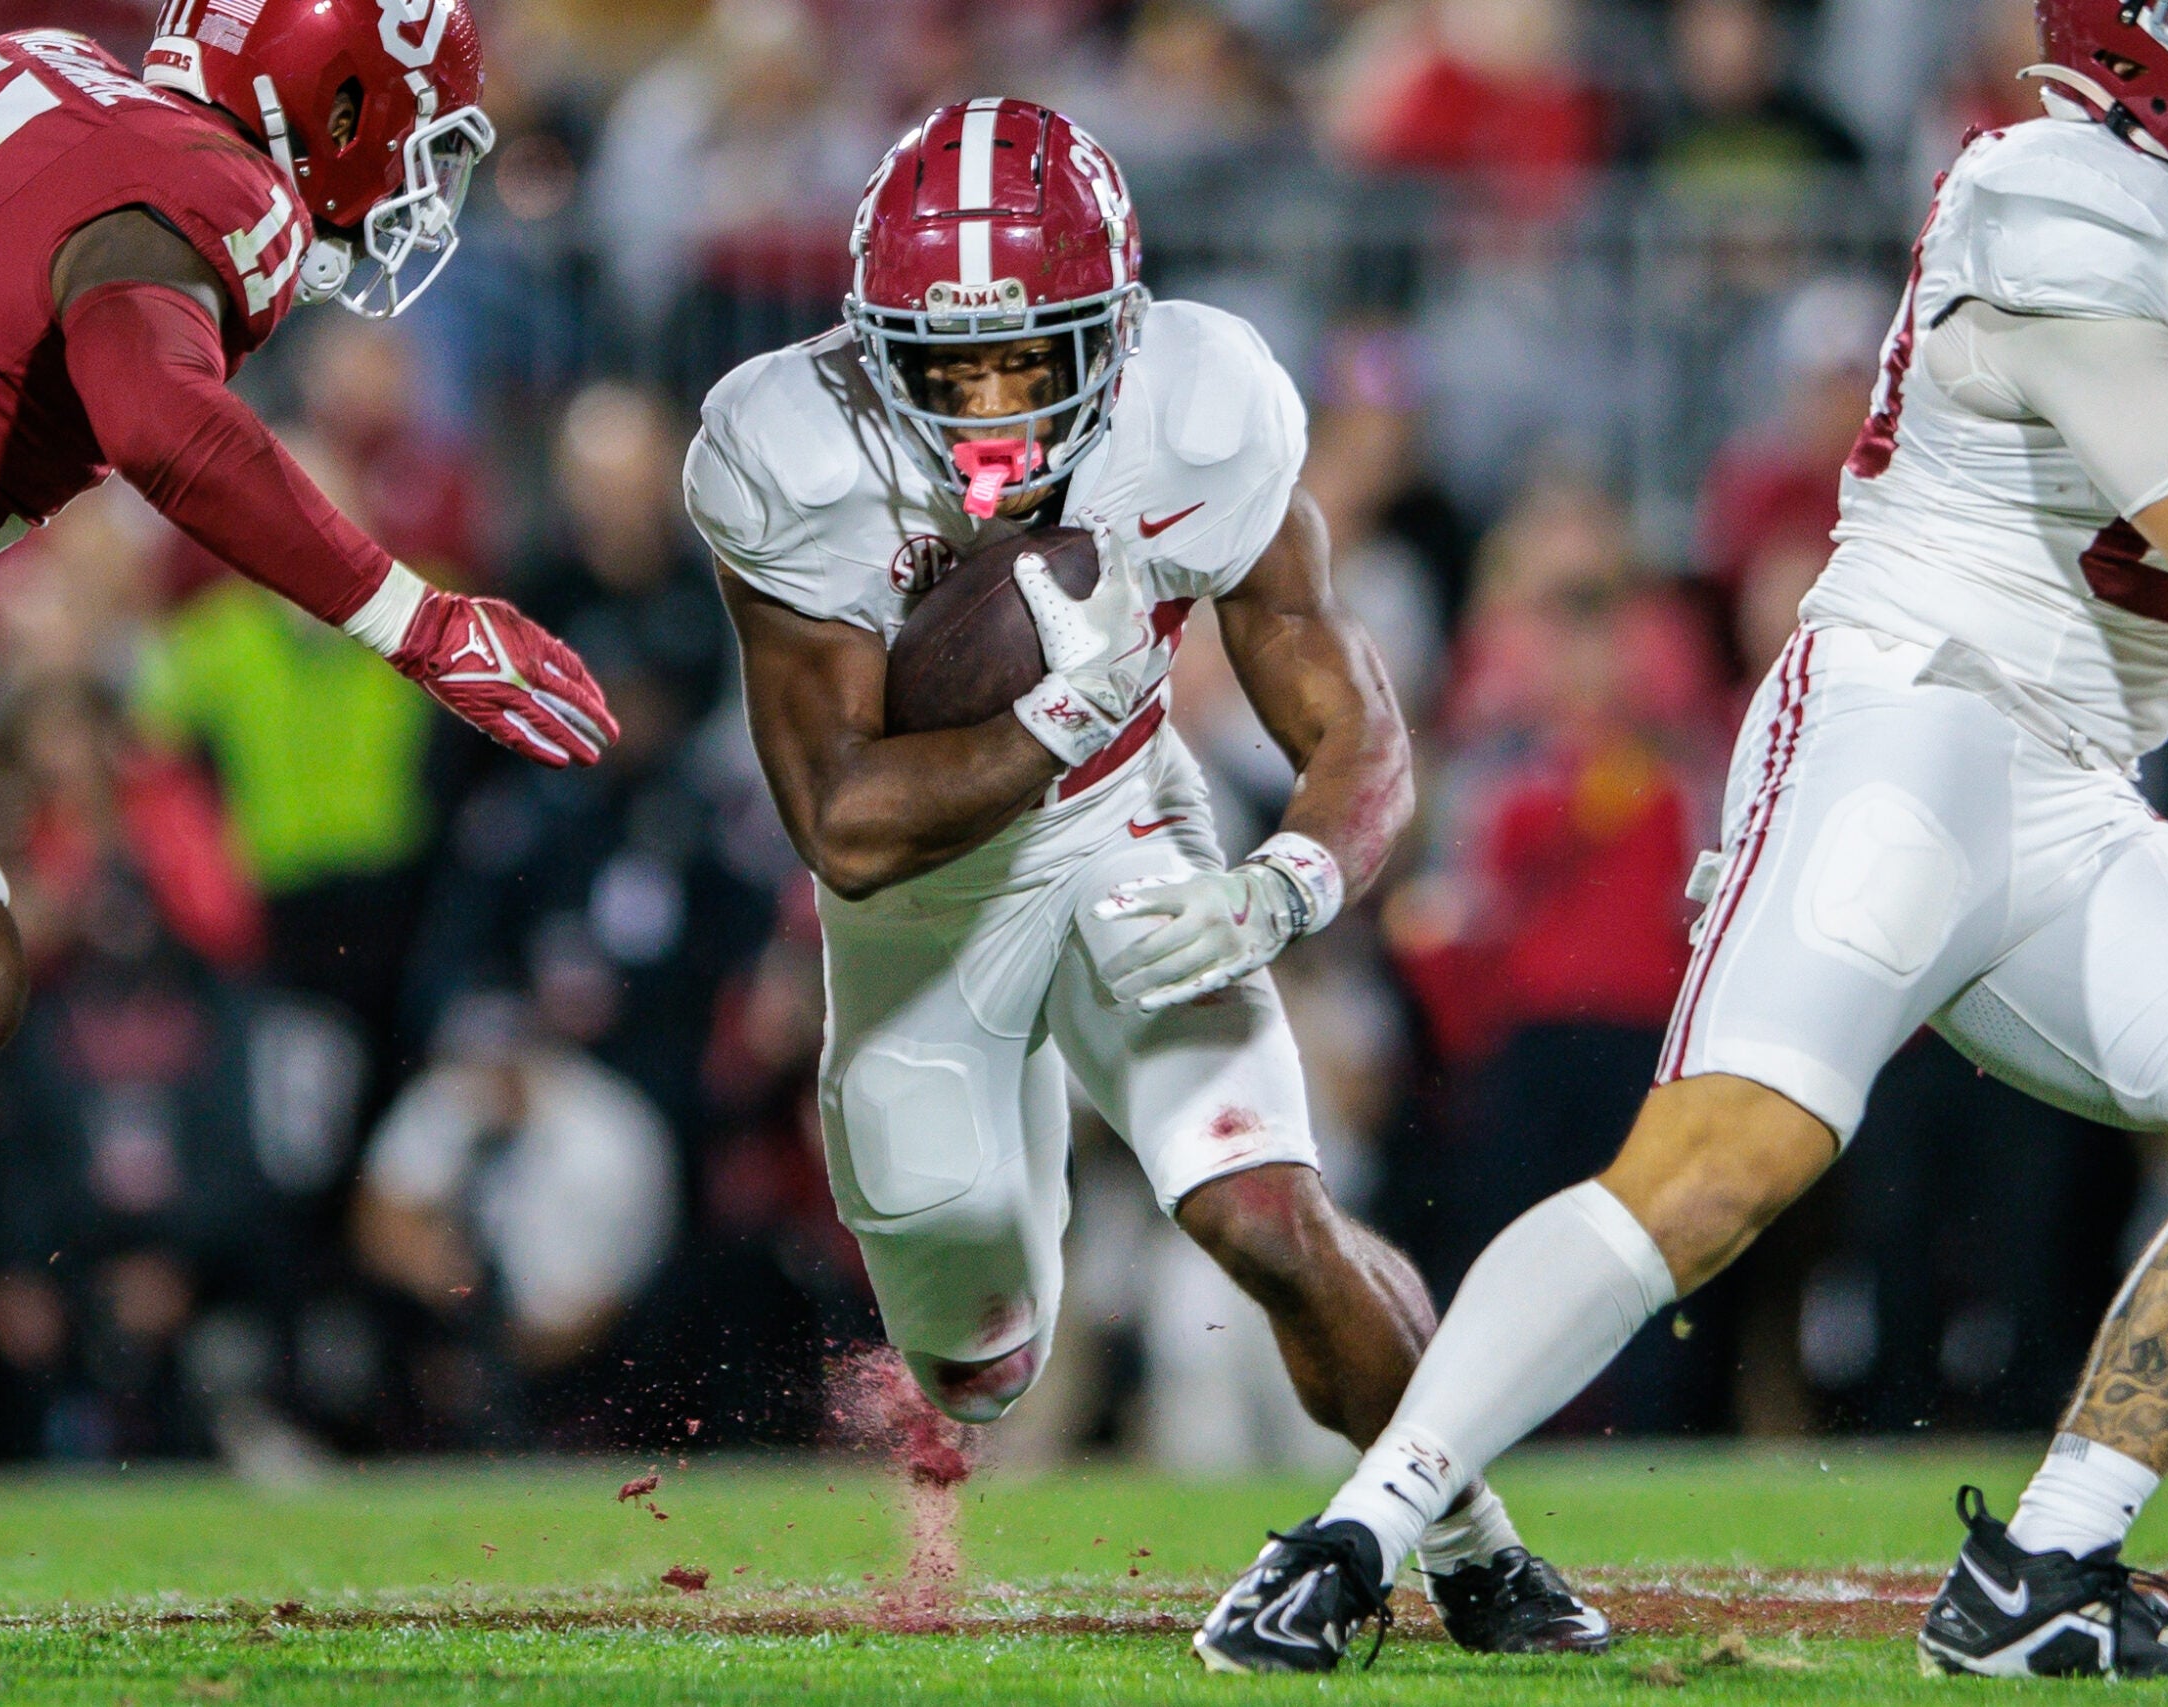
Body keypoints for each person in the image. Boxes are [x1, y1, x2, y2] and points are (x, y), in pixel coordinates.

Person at [1200, 0, 2168, 1679]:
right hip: (1909, 724)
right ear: (2148, 56)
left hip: (2077, 786)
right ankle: (1354, 1537)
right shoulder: (2062, 194)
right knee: (1724, 1162)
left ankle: (2047, 1567)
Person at [686, 98, 1606, 1663]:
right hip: (915, 904)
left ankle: (1469, 1542)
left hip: (1127, 832)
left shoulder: (1202, 399)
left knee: (1268, 1211)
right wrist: (1055, 712)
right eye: (942, 361)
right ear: (862, 347)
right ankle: (1008, 1157)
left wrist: (1292, 882)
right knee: (976, 1359)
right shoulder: (785, 446)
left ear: (1116, 331)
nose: (982, 403)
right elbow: (841, 821)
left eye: (1024, 357)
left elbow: (1351, 713)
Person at [0, 0, 611, 1634]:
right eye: (419, 136)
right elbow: (157, 416)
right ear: (348, 95)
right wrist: (417, 619)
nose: (414, 191)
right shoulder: (212, 180)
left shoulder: (28, 77)